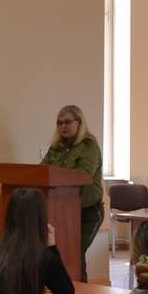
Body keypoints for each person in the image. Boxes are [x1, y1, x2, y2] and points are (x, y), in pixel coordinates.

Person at [39, 104, 103, 281]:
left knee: (75, 253)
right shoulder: (56, 147)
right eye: (59, 123)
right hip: (62, 211)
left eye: (67, 122)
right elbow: (42, 171)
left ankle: (81, 291)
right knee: (62, 252)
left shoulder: (89, 145)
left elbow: (84, 174)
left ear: (79, 122)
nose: (63, 127)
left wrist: (58, 176)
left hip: (88, 210)